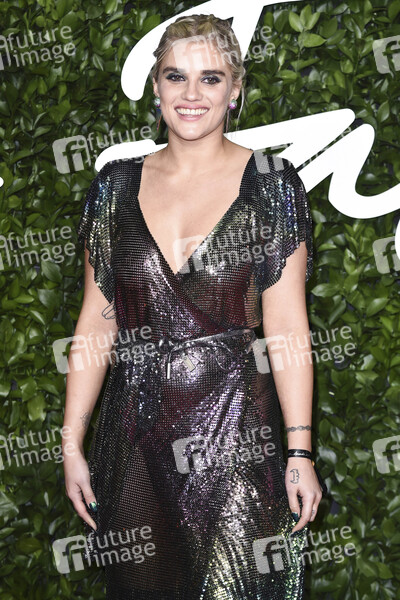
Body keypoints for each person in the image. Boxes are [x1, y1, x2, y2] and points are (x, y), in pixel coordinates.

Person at [62, 13, 322, 599]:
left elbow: (287, 327)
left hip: (238, 435)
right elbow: (97, 322)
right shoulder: (114, 186)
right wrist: (72, 442)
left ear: (235, 90)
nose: (191, 94)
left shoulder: (272, 184)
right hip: (135, 437)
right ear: (156, 87)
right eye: (176, 76)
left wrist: (299, 449)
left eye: (211, 78)